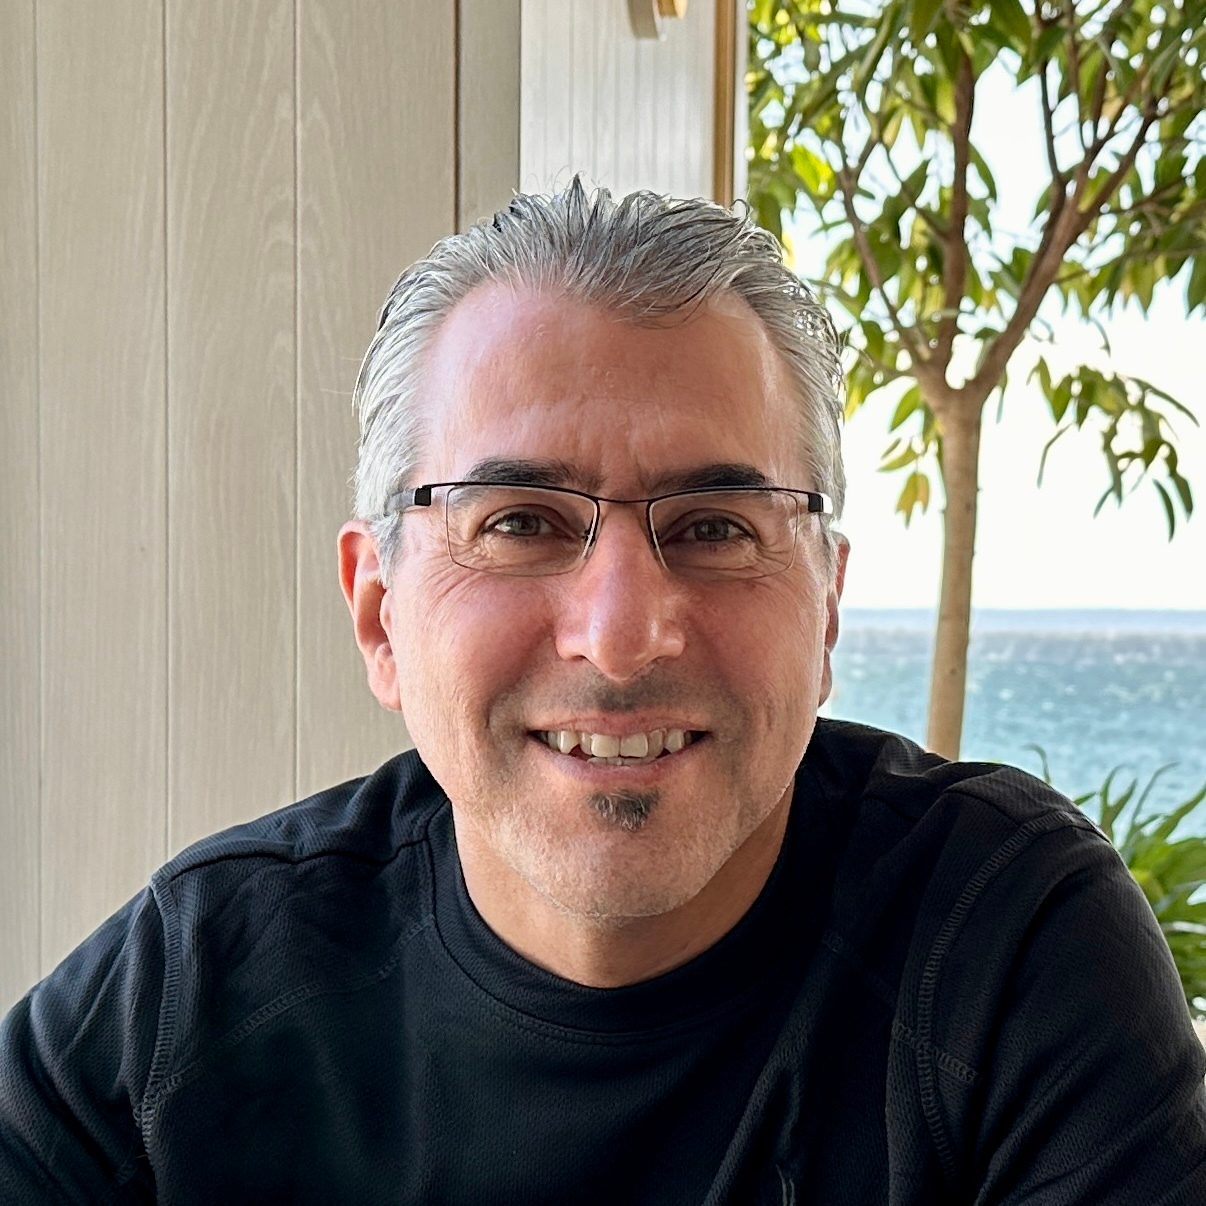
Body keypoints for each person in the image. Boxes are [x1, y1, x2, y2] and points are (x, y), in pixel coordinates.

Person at [2, 179, 1204, 1205]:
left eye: (716, 525)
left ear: (827, 608)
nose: (622, 637)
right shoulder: (193, 996)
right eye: (520, 522)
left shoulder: (1003, 949)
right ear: (379, 613)